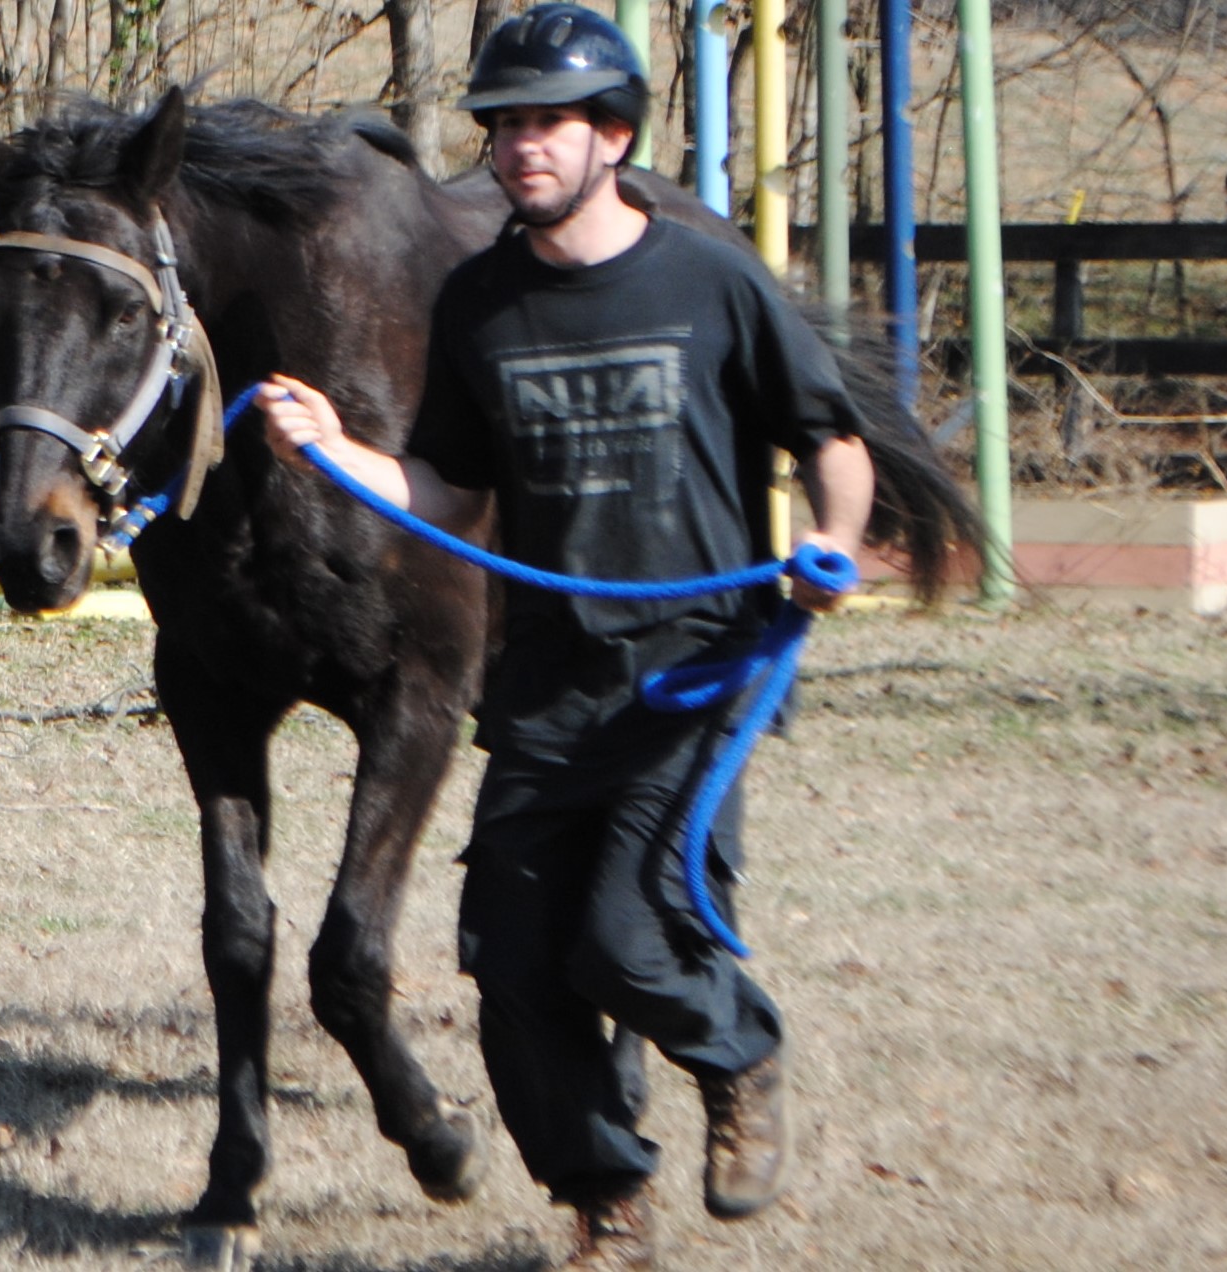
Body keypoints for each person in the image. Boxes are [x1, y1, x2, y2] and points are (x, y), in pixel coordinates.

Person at [256, 5, 876, 1268]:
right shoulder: (482, 300)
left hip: (696, 667)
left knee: (626, 938)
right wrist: (334, 450)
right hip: (542, 680)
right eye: (502, 127)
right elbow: (442, 488)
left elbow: (831, 438)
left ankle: (739, 1050)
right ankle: (606, 1205)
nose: (518, 148)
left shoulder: (710, 280)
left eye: (546, 123)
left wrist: (836, 547)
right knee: (514, 965)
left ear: (611, 132)